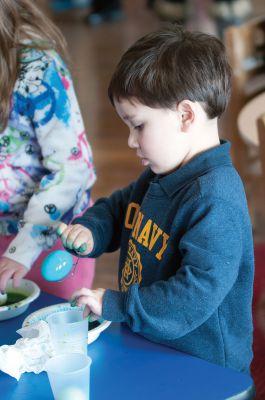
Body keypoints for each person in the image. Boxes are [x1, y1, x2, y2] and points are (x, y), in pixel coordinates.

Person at [58, 25, 254, 373]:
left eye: (138, 125)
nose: (131, 141)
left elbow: (193, 296)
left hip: (203, 368)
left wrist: (119, 305)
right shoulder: (164, 172)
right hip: (153, 340)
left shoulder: (215, 199)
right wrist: (93, 229)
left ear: (185, 116)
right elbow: (123, 207)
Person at [0, 0, 96, 299]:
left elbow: (72, 170)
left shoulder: (39, 69)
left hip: (53, 234)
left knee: (51, 332)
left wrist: (24, 248)